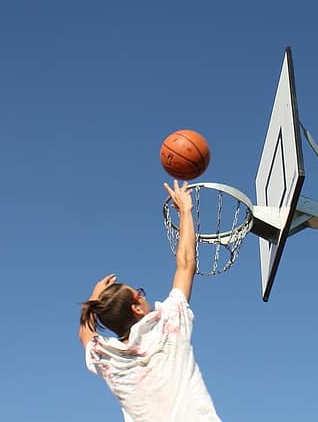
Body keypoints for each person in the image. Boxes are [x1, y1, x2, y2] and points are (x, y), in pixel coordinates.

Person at [78, 180, 222, 422]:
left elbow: (85, 334)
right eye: (139, 293)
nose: (144, 296)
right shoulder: (168, 326)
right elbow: (186, 263)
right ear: (135, 307)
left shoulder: (107, 356)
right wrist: (186, 211)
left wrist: (93, 299)